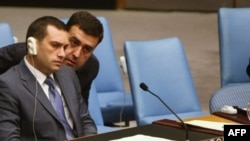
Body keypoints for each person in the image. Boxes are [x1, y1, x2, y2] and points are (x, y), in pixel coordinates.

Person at [0, 16, 96, 141]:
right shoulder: (8, 85)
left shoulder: (68, 74)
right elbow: (9, 138)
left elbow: (84, 119)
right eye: (55, 45)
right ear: (32, 45)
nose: (62, 54)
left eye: (64, 47)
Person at [0, 11, 103, 106]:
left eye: (87, 49)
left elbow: (80, 113)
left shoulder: (90, 67)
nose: (76, 54)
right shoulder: (19, 55)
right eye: (74, 42)